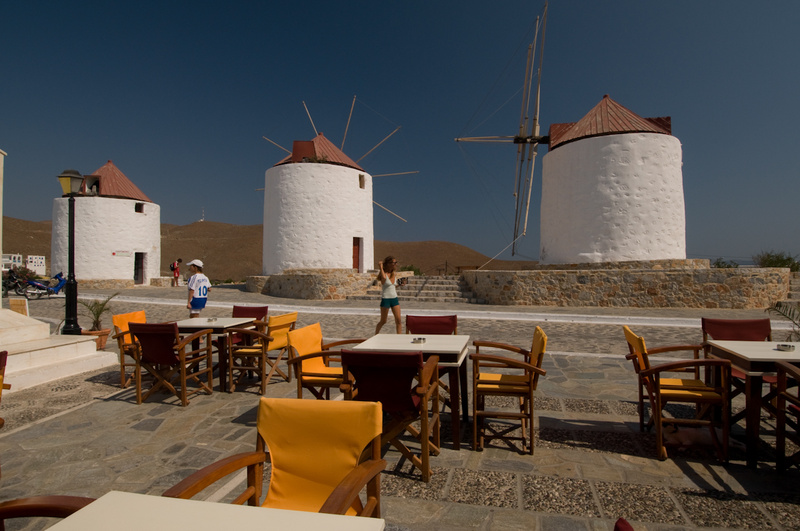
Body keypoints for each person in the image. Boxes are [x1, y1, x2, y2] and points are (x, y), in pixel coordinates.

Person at [375, 256, 402, 334]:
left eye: (396, 262)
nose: (395, 264)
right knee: (383, 321)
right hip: (386, 299)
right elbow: (383, 278)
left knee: (398, 320)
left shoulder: (394, 274)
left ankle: (399, 337)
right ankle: (376, 334)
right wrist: (380, 267)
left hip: (394, 299)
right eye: (394, 263)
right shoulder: (383, 275)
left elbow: (393, 285)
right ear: (388, 264)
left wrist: (400, 284)